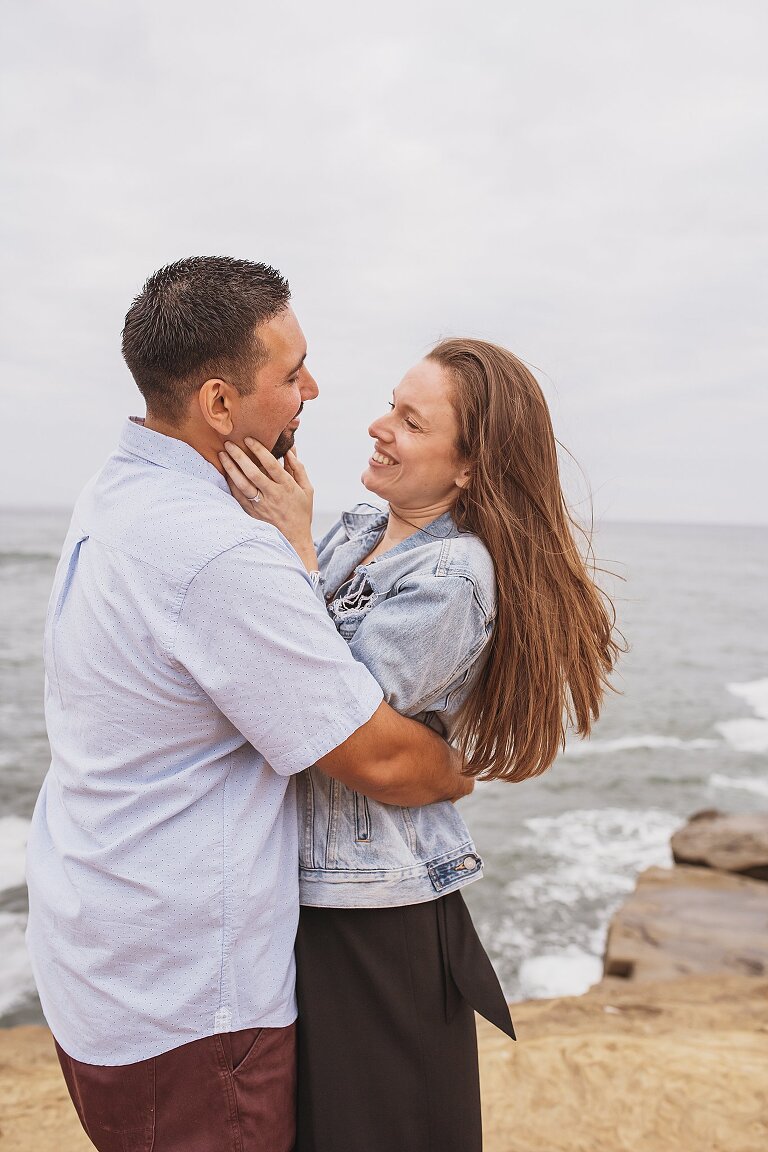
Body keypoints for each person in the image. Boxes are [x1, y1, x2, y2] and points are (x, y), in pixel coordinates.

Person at [25, 256, 472, 1152]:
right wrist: (466, 767)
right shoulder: (219, 553)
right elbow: (379, 758)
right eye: (291, 372)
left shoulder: (118, 490)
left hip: (99, 952)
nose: (315, 388)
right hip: (189, 1003)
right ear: (222, 406)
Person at [221, 338, 621, 1152]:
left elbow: (337, 713)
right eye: (389, 406)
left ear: (469, 468)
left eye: (409, 421)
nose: (378, 427)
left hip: (376, 909)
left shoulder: (454, 578)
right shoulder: (369, 522)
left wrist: (296, 547)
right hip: (310, 890)